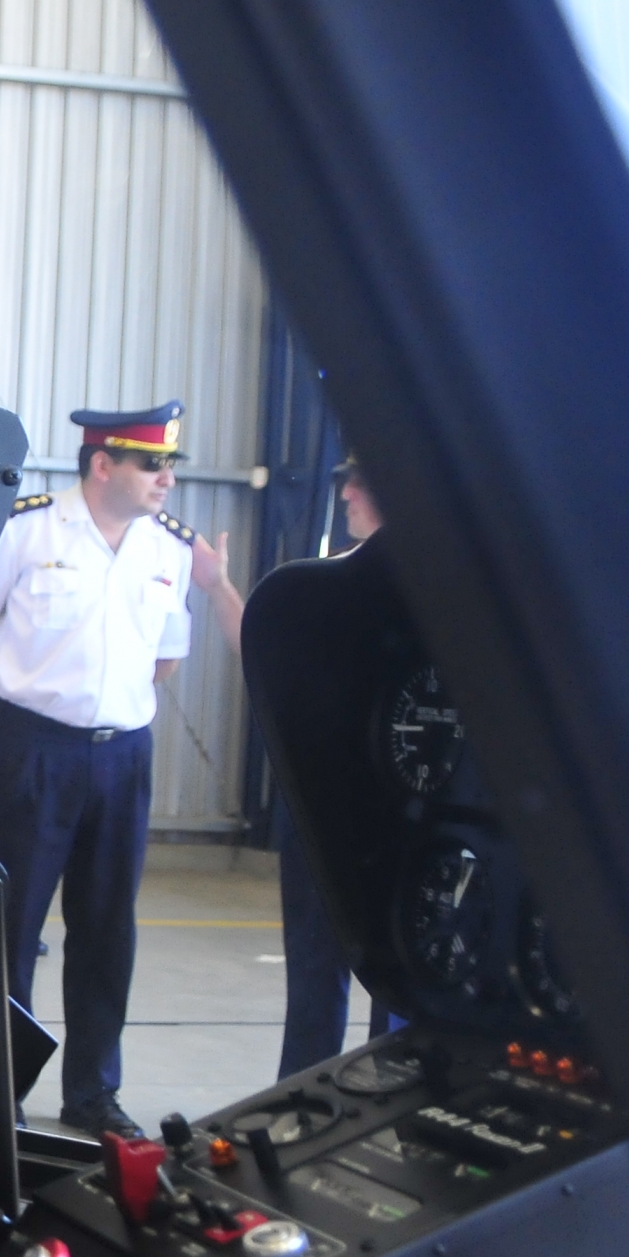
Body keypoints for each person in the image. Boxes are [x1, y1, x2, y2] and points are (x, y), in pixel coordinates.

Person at [0, 401, 219, 1142]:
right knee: (11, 924)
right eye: (151, 464)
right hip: (30, 749)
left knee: (107, 927)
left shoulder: (168, 548)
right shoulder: (27, 529)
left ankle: (93, 1090)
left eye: (170, 466)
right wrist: (21, 709)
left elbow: (165, 658)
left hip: (121, 756)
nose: (166, 479)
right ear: (102, 464)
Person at [274, 452, 397, 1077]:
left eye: (361, 482)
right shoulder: (323, 584)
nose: (346, 494)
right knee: (314, 968)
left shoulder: (438, 594)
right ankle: (302, 1092)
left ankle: (396, 1090)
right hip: (324, 805)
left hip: (397, 810)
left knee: (402, 976)